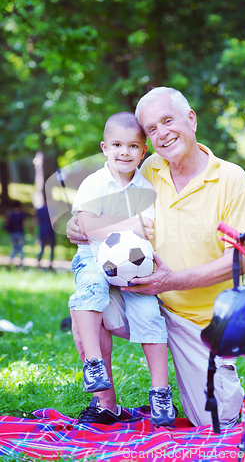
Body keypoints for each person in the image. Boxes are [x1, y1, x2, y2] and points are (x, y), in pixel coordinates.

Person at [67, 87, 245, 428]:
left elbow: (241, 260)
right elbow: (99, 197)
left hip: (197, 320)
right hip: (137, 295)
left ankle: (195, 387)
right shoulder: (147, 167)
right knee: (86, 300)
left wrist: (171, 281)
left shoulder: (231, 178)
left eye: (168, 120)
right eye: (152, 129)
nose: (162, 133)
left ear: (192, 119)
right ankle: (106, 404)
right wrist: (77, 222)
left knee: (217, 421)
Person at [69, 111, 175, 427]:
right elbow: (86, 225)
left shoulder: (146, 188)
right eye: (117, 145)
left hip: (135, 267)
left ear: (144, 151)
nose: (124, 152)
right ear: (104, 147)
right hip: (93, 260)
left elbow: (148, 229)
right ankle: (93, 363)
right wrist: (129, 225)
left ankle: (160, 392)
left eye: (132, 146)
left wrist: (104, 225)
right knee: (91, 291)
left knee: (150, 315)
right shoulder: (94, 183)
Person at [4, 200, 27, 268]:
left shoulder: (10, 213)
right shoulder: (22, 214)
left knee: (14, 249)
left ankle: (10, 262)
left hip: (12, 234)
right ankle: (21, 264)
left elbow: (6, 222)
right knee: (20, 249)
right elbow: (25, 224)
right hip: (20, 233)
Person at [35, 204, 56, 269]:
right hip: (50, 231)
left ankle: (38, 263)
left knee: (42, 248)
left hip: (42, 231)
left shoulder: (39, 210)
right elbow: (55, 221)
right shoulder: (52, 209)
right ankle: (51, 264)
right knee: (52, 248)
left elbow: (35, 222)